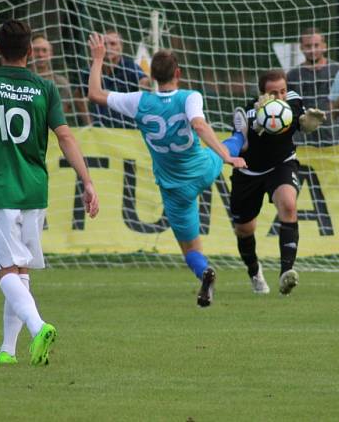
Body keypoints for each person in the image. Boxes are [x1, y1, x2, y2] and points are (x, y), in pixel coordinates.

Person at [0, 20, 99, 366]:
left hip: (2, 190)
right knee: (21, 271)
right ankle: (7, 351)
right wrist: (87, 181)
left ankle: (38, 326)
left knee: (4, 272)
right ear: (30, 52)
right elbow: (65, 137)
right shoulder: (46, 88)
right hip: (34, 190)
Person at [86, 32, 246, 307]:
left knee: (189, 247)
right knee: (231, 143)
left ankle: (204, 272)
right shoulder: (189, 96)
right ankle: (242, 133)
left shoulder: (139, 101)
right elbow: (199, 124)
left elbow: (95, 94)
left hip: (176, 187)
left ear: (152, 77)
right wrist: (227, 157)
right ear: (178, 73)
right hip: (204, 168)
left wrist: (98, 59)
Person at [226, 70, 325, 295]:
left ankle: (285, 273)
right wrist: (257, 129)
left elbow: (301, 123)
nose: (280, 96)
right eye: (273, 93)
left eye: (282, 90)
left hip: (281, 165)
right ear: (262, 94)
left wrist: (308, 124)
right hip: (248, 172)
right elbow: (240, 146)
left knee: (289, 206)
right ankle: (254, 272)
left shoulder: (294, 101)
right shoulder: (249, 112)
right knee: (244, 229)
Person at [78, 29, 150, 128]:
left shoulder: (130, 67)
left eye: (113, 44)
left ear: (121, 47)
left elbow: (144, 83)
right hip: (100, 131)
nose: (108, 48)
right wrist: (89, 123)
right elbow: (78, 97)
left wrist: (154, 78)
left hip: (127, 130)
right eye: (105, 44)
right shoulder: (92, 70)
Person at [286, 27, 339, 145]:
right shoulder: (292, 75)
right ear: (301, 48)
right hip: (303, 139)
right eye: (308, 46)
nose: (312, 50)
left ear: (324, 46)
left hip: (333, 135)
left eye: (316, 45)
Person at [30, 34, 73, 121]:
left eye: (44, 50)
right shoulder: (20, 78)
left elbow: (62, 113)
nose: (40, 54)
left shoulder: (61, 82)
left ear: (51, 54)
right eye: (36, 50)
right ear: (29, 52)